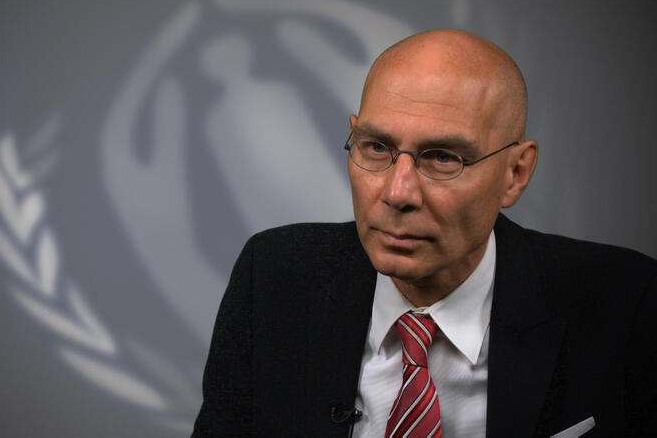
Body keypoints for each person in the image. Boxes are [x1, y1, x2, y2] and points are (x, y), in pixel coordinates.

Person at [191, 29, 656, 437]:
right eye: (376, 147)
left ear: (516, 173)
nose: (398, 193)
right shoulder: (272, 276)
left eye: (443, 158)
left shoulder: (629, 302)